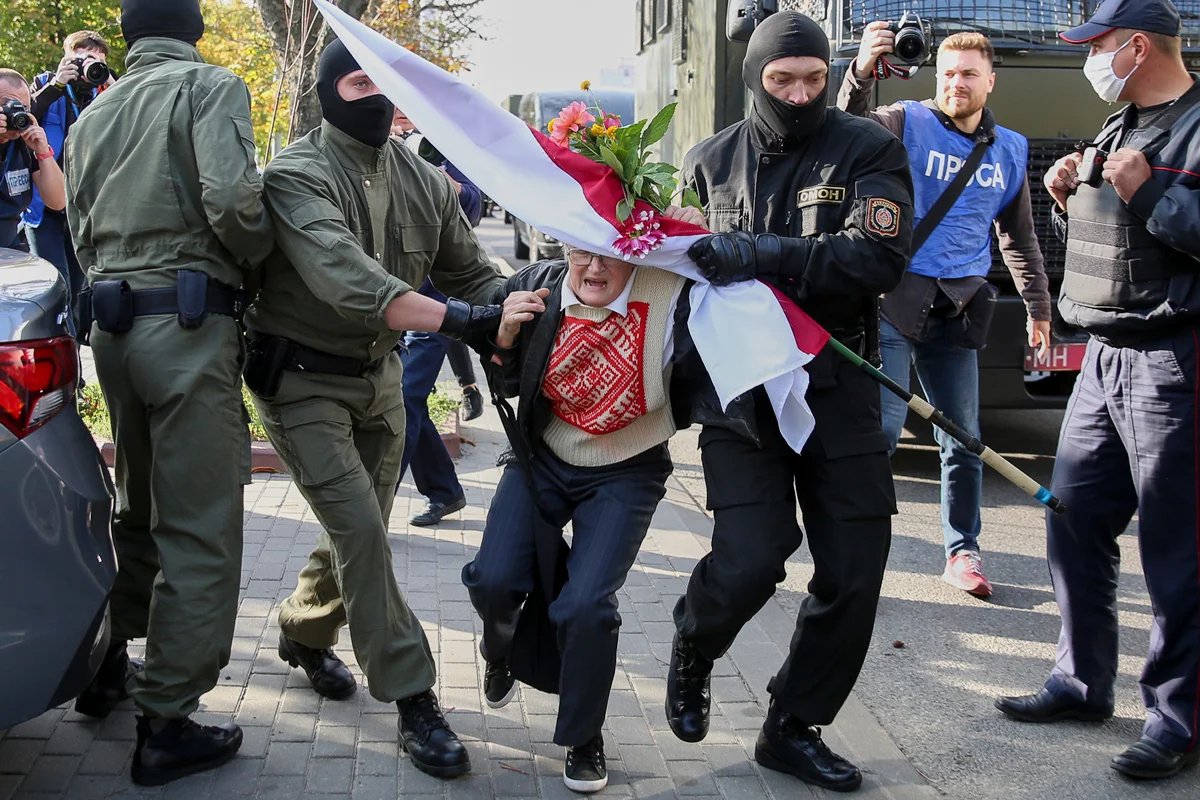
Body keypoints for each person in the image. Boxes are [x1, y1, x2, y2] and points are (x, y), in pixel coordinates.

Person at [242, 39, 521, 781]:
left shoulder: (426, 182)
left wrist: (543, 295)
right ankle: (412, 695)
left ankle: (304, 634)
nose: (377, 99)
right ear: (333, 89)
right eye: (361, 82)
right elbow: (352, 282)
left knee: (355, 529)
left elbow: (474, 272)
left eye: (388, 85)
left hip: (381, 381)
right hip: (300, 383)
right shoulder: (296, 176)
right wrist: (465, 321)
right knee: (363, 529)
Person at [664, 10, 913, 792]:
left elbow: (877, 258)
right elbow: (667, 271)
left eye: (812, 78)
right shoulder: (708, 161)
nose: (801, 94)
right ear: (755, 79)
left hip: (838, 384)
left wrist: (765, 254)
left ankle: (793, 724)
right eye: (782, 80)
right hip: (740, 396)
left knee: (855, 566)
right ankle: (694, 645)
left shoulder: (869, 145)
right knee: (751, 561)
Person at [64, 0, 273, 786]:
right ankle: (167, 718)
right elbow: (232, 201)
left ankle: (107, 662)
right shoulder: (209, 87)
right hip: (188, 327)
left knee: (136, 508)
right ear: (193, 30)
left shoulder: (95, 111)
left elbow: (78, 226)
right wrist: (256, 265)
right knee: (202, 525)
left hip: (114, 333)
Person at [995, 0, 1200, 781]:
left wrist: (1149, 194)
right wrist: (1070, 197)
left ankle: (1176, 720)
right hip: (1104, 353)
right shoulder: (1120, 128)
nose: (1090, 60)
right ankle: (1081, 683)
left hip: (1172, 359)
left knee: (1178, 552)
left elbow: (1174, 223)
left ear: (1138, 45)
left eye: (1099, 46)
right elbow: (1118, 242)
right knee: (1074, 520)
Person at [462, 205, 706, 793]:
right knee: (493, 579)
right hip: (542, 455)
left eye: (610, 254)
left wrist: (700, 233)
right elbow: (507, 381)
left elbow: (728, 282)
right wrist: (502, 336)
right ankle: (503, 647)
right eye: (580, 250)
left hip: (628, 468)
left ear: (634, 254)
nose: (593, 267)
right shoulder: (537, 288)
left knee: (585, 607)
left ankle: (582, 735)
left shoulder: (673, 292)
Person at [837, 27, 1052, 598]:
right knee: (881, 431)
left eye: (969, 74)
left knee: (964, 438)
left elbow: (1019, 236)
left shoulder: (1010, 148)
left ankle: (963, 553)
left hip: (958, 310)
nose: (957, 84)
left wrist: (1037, 305)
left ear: (990, 81)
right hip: (896, 302)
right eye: (949, 73)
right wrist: (860, 70)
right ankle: (857, 551)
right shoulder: (906, 121)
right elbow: (846, 128)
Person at [390, 109, 487, 526]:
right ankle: (445, 491)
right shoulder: (375, 141)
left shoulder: (446, 143)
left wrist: (440, 180)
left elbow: (474, 202)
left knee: (404, 399)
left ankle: (373, 508)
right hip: (391, 298)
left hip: (433, 305)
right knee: (407, 399)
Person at [25, 30, 116, 337]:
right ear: (67, 57)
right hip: (44, 207)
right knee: (54, 285)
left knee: (78, 291)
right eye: (83, 55)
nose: (91, 62)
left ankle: (74, 371)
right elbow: (25, 117)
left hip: (84, 206)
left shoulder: (104, 89)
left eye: (98, 56)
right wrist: (57, 84)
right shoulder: (46, 84)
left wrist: (115, 89)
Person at [0, 70, 64, 253]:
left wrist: (43, 152)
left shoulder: (23, 145)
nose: (17, 114)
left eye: (23, 108)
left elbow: (58, 201)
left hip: (9, 252)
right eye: (9, 105)